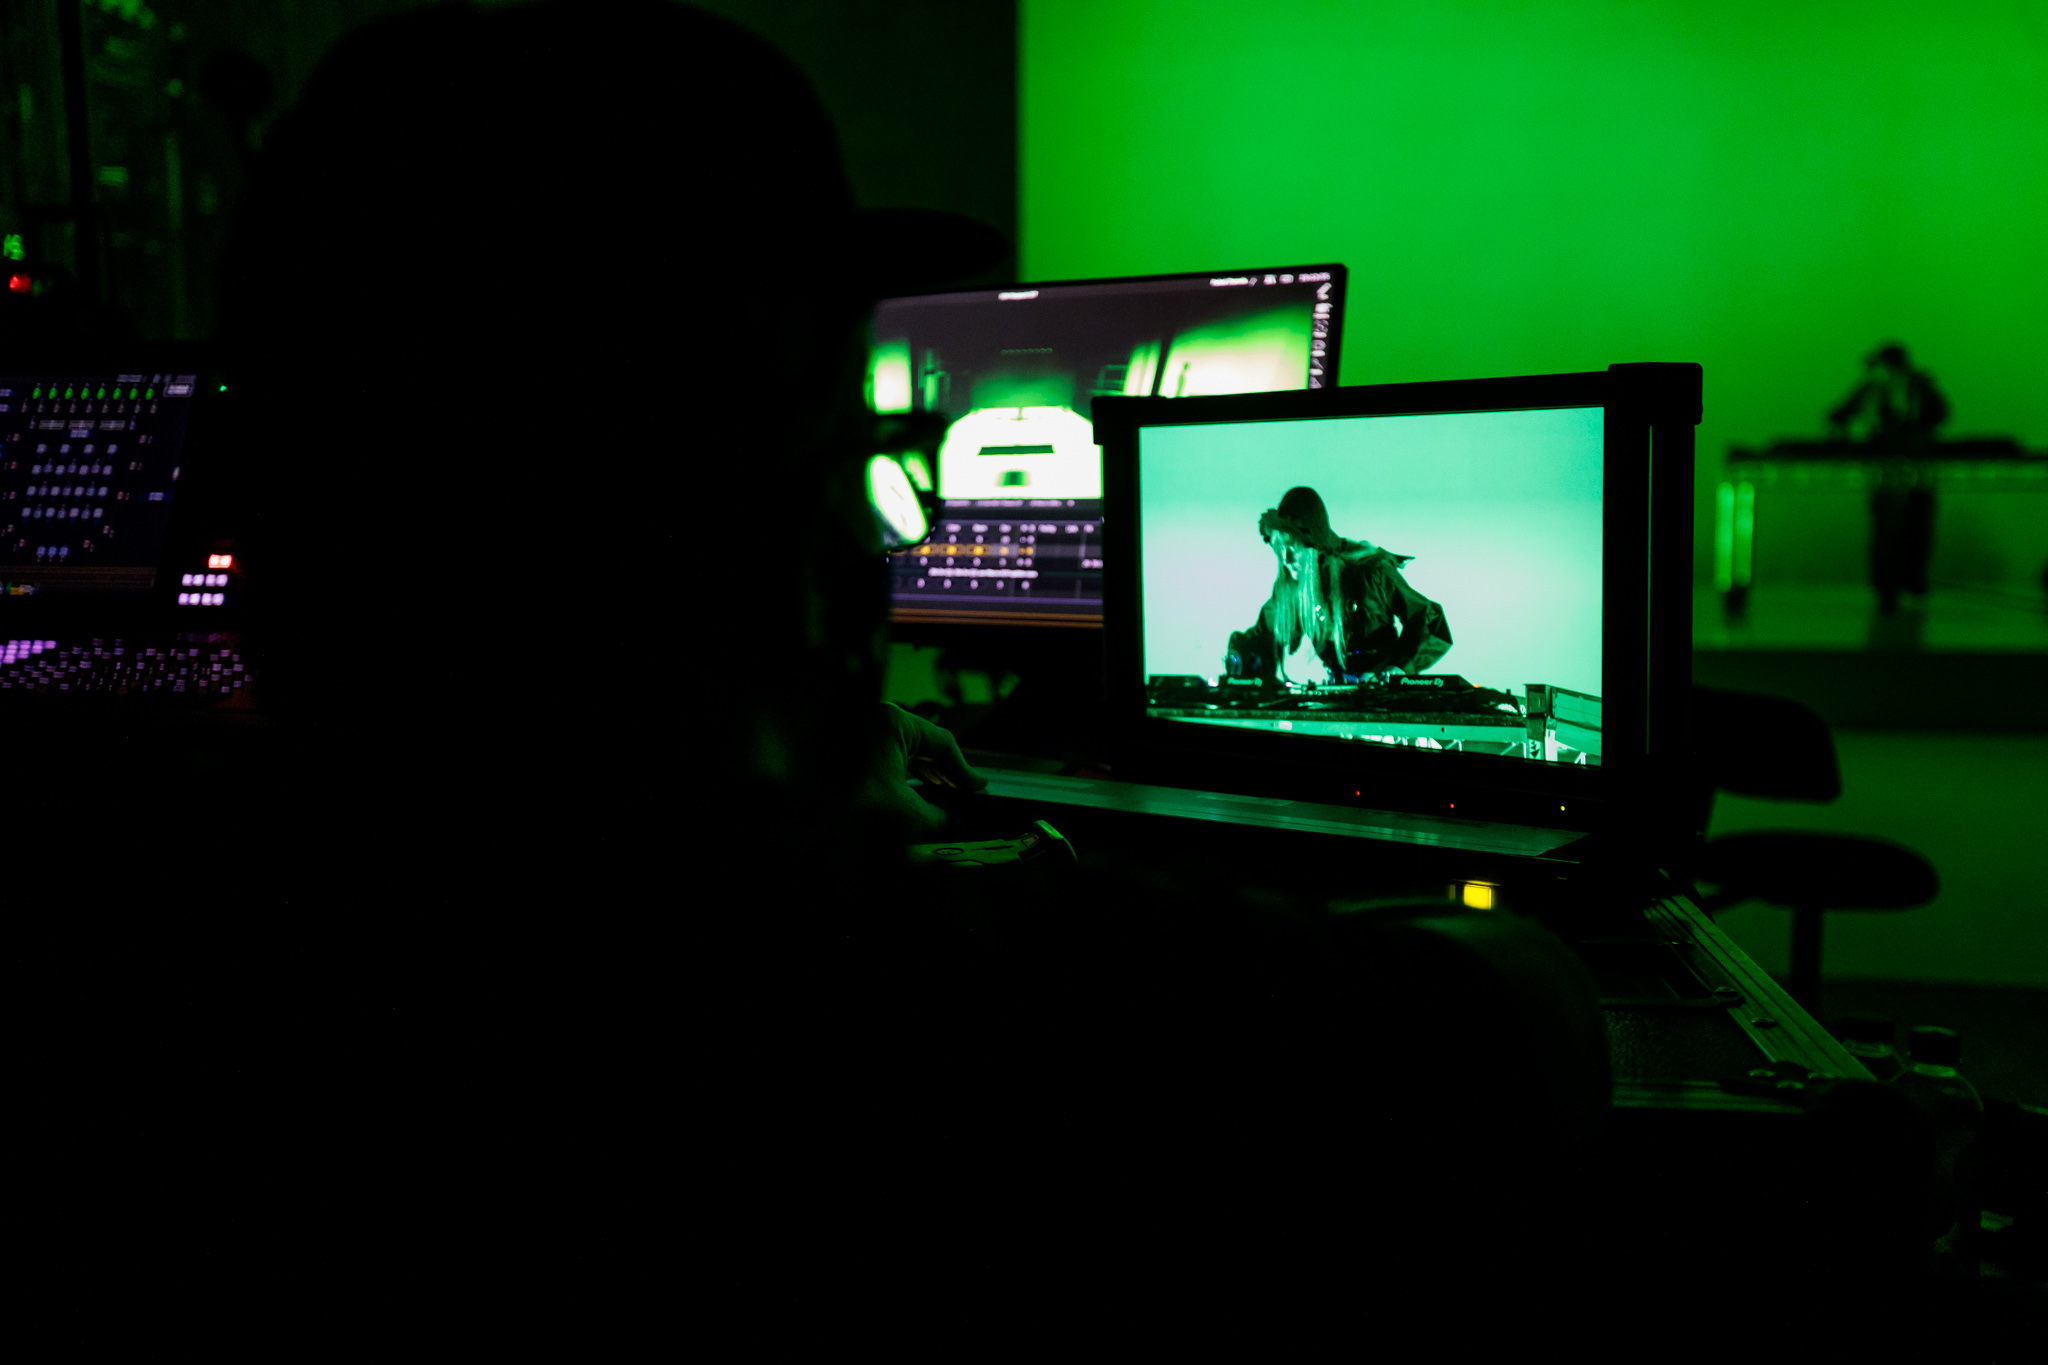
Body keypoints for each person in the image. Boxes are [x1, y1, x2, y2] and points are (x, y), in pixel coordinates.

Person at [52, 3, 1628, 1350]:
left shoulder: (127, 958)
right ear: (792, 539)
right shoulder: (979, 1006)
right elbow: (1528, 1041)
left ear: (254, 515)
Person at [1225, 486, 1452, 684]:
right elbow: (1262, 635)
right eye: (1279, 547)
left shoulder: (1369, 570)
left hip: (1386, 698)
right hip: (1341, 698)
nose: (1286, 558)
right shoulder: (1293, 589)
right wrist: (1238, 655)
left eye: (1293, 545)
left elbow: (1428, 619)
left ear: (1313, 543)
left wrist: (1399, 668)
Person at [1829, 343, 1949, 614]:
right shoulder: (1871, 389)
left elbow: (1942, 413)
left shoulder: (1920, 387)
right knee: (1887, 527)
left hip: (1916, 465)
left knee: (1916, 525)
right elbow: (1837, 413)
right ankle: (1887, 587)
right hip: (1887, 467)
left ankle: (1910, 582)